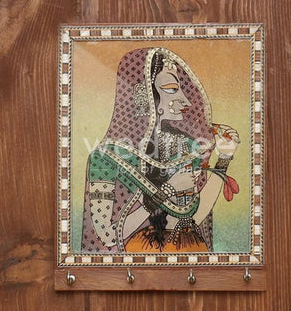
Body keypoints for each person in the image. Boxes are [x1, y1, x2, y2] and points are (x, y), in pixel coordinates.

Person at [81, 47, 239, 253]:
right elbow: (108, 236)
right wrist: (167, 191)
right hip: (136, 255)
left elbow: (193, 217)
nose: (186, 101)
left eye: (181, 89)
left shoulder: (185, 145)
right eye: (172, 89)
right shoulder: (105, 157)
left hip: (185, 251)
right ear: (143, 94)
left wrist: (225, 157)